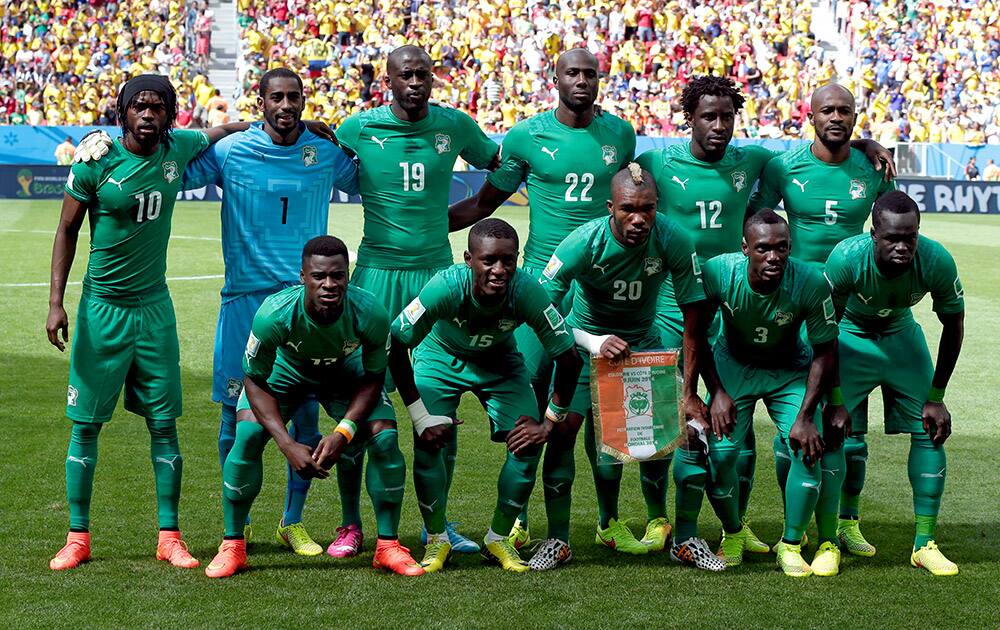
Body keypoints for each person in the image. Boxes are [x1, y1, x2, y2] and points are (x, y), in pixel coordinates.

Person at [636, 76, 894, 560]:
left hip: (743, 308)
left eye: (726, 116)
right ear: (687, 117)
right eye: (708, 116)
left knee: (733, 429)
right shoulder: (654, 161)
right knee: (666, 423)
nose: (718, 125)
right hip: (674, 309)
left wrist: (863, 140)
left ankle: (740, 525)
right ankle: (659, 520)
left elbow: (824, 141)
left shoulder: (755, 161)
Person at [46, 74, 247, 571]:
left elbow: (220, 133)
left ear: (170, 115)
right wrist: (56, 303)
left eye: (158, 107)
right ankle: (77, 537)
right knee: (86, 424)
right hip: (103, 308)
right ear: (124, 113)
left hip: (154, 308)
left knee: (164, 424)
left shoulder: (178, 148)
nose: (148, 114)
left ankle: (169, 535)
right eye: (139, 106)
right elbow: (67, 228)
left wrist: (292, 120)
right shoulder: (96, 160)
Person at [447, 48, 636, 563]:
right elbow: (484, 204)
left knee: (599, 411)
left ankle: (608, 520)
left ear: (601, 79)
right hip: (540, 291)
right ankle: (520, 523)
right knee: (531, 409)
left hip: (599, 292)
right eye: (572, 72)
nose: (581, 80)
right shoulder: (526, 137)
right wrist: (426, 224)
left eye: (590, 73)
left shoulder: (620, 135)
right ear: (554, 79)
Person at [181, 67, 359, 557]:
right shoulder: (230, 151)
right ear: (259, 102)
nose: (286, 105)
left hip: (302, 304)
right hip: (243, 301)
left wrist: (338, 133)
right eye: (276, 97)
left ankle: (291, 521)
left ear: (304, 101)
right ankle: (234, 527)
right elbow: (171, 163)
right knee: (232, 416)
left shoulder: (323, 152)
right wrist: (218, 129)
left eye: (294, 97)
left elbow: (372, 172)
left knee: (303, 414)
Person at [333, 45, 500, 556]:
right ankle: (350, 524)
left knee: (438, 408)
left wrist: (471, 210)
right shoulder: (358, 128)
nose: (416, 82)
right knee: (361, 408)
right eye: (406, 74)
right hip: (375, 278)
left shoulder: (455, 126)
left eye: (423, 74)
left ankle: (437, 526)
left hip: (435, 279)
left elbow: (506, 165)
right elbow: (318, 156)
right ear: (388, 80)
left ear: (433, 78)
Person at [205, 236, 422, 578]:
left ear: (348, 277)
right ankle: (233, 545)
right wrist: (286, 443)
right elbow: (254, 380)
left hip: (345, 374)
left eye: (338, 276)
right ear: (303, 276)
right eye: (319, 276)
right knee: (246, 435)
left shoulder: (370, 311)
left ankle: (388, 546)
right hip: (285, 374)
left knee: (384, 436)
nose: (329, 284)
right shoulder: (274, 314)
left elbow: (374, 377)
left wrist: (343, 431)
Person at [537, 164, 709, 568]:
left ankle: (667, 526)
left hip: (641, 348)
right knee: (564, 432)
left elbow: (694, 318)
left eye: (647, 209)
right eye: (628, 208)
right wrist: (590, 340)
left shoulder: (674, 239)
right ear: (610, 206)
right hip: (584, 346)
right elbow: (541, 306)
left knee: (666, 436)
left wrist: (687, 392)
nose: (639, 219)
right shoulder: (583, 242)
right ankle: (558, 540)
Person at [749, 83, 896, 556]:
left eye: (845, 111)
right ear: (809, 116)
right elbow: (758, 222)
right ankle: (800, 519)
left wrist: (866, 146)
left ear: (856, 117)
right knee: (793, 426)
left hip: (851, 311)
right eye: (826, 110)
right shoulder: (783, 167)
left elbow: (891, 225)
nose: (836, 117)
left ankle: (848, 520)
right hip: (794, 308)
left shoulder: (873, 167)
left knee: (850, 428)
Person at [388, 219, 582, 572]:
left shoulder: (528, 291)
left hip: (499, 361)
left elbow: (568, 357)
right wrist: (419, 416)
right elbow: (396, 344)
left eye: (508, 260)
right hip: (439, 356)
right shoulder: (444, 287)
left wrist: (550, 421)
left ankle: (497, 539)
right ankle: (436, 540)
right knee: (429, 440)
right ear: (468, 259)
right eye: (489, 260)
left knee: (527, 442)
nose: (499, 270)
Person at [823, 191, 964, 576]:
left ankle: (924, 544)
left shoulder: (935, 259)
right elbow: (823, 330)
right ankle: (833, 534)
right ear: (874, 234)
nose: (902, 246)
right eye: (892, 239)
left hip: (901, 335)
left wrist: (937, 396)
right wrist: (834, 398)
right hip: (850, 337)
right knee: (836, 435)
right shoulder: (847, 258)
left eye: (910, 237)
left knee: (930, 430)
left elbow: (954, 324)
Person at [698, 209, 844, 577]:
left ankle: (791, 544)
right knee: (721, 455)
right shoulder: (717, 272)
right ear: (744, 247)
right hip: (733, 366)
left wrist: (807, 416)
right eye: (764, 248)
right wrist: (715, 391)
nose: (774, 257)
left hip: (788, 371)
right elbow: (695, 337)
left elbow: (825, 351)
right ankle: (732, 533)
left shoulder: (810, 281)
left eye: (782, 248)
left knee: (808, 446)